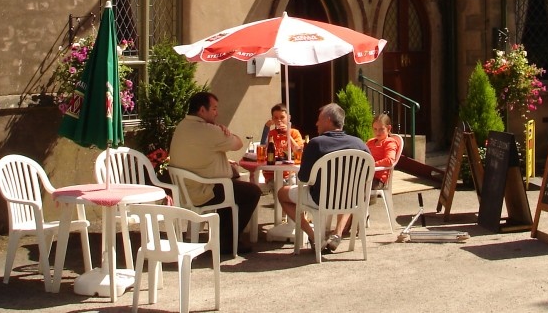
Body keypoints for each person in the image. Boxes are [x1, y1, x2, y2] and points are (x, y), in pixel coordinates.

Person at [169, 91, 262, 254]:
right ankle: (229, 241)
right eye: (214, 108)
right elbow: (238, 144)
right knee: (252, 192)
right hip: (203, 191)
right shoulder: (209, 130)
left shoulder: (182, 126)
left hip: (185, 188)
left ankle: (223, 236)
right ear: (202, 110)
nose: (217, 113)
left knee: (233, 186)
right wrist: (224, 130)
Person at [276, 103, 369, 253]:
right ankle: (337, 233)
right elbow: (366, 176)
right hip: (350, 199)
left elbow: (304, 178)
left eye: (319, 119)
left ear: (328, 120)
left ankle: (314, 237)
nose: (316, 123)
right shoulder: (359, 144)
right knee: (348, 191)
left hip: (320, 199)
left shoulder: (316, 144)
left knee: (281, 193)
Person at [325, 113, 400, 251]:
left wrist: (371, 164)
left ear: (389, 128)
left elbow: (390, 160)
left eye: (381, 129)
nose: (378, 132)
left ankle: (343, 228)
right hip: (364, 176)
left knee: (351, 190)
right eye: (375, 129)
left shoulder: (390, 142)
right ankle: (345, 224)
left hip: (378, 179)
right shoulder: (370, 142)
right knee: (342, 187)